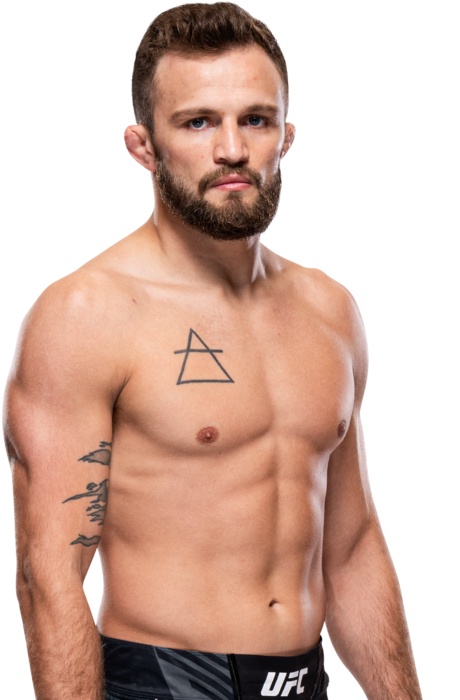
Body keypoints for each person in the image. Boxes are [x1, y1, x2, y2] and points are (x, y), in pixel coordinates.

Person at [4, 3, 422, 699]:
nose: (232, 149)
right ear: (143, 147)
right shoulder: (87, 315)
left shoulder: (329, 311)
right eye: (198, 122)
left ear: (285, 137)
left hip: (303, 682)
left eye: (255, 120)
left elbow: (349, 550)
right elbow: (49, 578)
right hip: (165, 682)